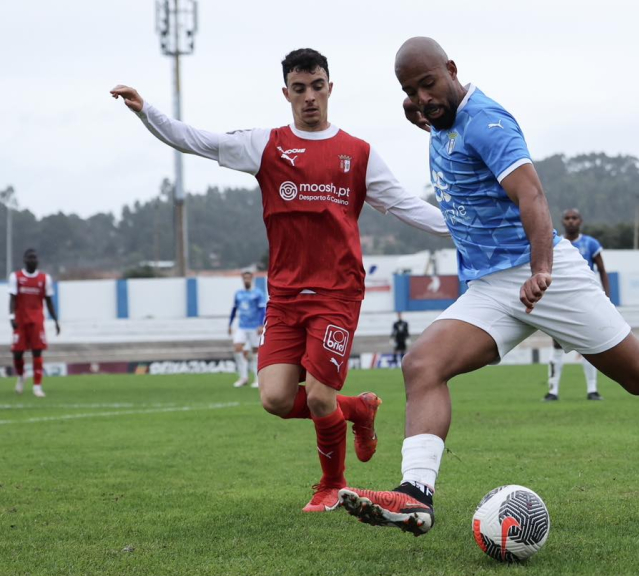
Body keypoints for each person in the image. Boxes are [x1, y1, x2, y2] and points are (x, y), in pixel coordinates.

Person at [336, 37, 639, 536]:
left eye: (429, 84)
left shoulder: (488, 122)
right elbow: (424, 107)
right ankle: (415, 495)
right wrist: (420, 106)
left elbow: (531, 193)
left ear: (452, 69)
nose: (423, 98)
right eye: (411, 90)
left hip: (544, 273)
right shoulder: (436, 113)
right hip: (490, 287)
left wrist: (541, 269)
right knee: (422, 365)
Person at [111, 47, 450, 512]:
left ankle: (331, 485)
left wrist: (467, 226)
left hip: (336, 295)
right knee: (273, 398)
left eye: (316, 87)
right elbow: (198, 140)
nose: (309, 97)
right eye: (299, 89)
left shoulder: (358, 153)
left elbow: (407, 206)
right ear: (286, 93)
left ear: (330, 88)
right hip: (285, 297)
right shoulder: (265, 145)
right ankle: (358, 409)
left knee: (316, 398)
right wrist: (147, 111)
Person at [544, 208, 610, 402]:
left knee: (588, 345)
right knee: (556, 344)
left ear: (580, 221)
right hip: (559, 299)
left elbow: (603, 271)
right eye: (567, 218)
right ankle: (552, 391)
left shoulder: (590, 244)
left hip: (584, 299)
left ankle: (592, 390)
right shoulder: (555, 243)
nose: (571, 221)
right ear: (562, 221)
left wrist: (606, 297)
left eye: (574, 218)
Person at [10, 249, 60, 397]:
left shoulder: (45, 278)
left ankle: (37, 386)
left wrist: (56, 321)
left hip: (37, 320)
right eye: (30, 258)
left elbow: (49, 301)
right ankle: (21, 376)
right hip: (20, 320)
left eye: (35, 258)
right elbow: (12, 298)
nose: (33, 260)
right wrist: (11, 317)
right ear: (24, 260)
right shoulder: (16, 277)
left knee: (37, 352)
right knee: (17, 353)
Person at [229, 270, 267, 388]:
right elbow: (234, 309)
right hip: (242, 326)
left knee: (256, 352)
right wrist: (230, 324)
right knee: (237, 348)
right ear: (242, 279)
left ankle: (257, 379)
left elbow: (262, 310)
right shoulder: (238, 294)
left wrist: (261, 325)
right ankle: (243, 377)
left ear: (252, 279)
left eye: (248, 278)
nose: (246, 280)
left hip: (254, 327)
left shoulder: (258, 293)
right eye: (244, 278)